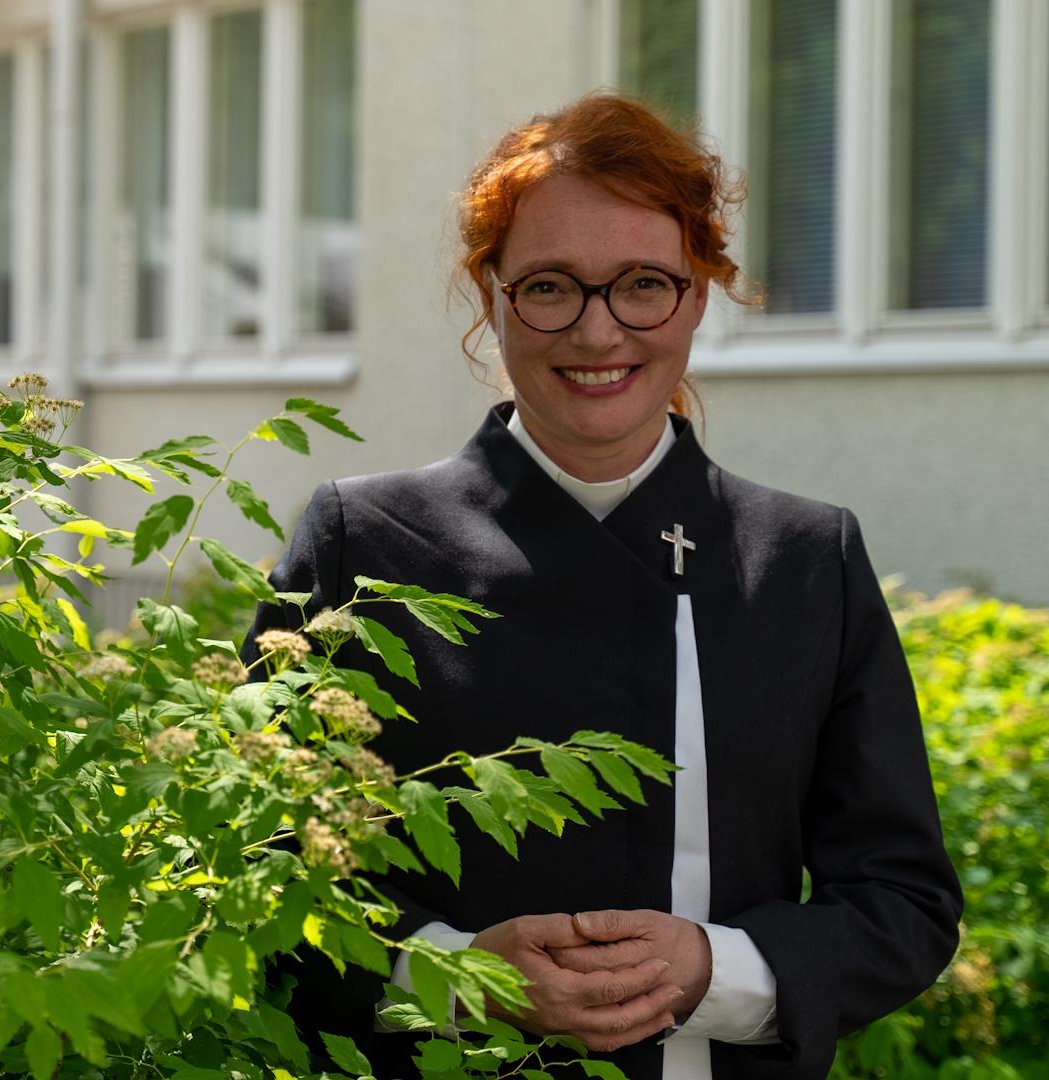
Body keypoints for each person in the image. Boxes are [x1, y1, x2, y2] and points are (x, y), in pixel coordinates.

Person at [248, 93, 962, 1080]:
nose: (598, 332)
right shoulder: (363, 543)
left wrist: (716, 969)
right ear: (491, 292)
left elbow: (903, 904)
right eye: (550, 287)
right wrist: (453, 974)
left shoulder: (804, 559)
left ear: (699, 293)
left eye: (642, 284)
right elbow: (261, 863)